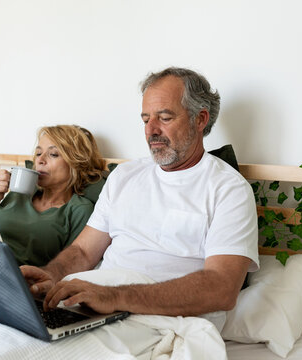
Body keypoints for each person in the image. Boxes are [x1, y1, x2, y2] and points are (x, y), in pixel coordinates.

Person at [21, 67, 259, 330]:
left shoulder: (228, 189)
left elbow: (220, 288)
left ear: (200, 119)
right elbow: (83, 250)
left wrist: (114, 296)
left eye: (164, 117)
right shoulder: (124, 175)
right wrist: (51, 275)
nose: (151, 130)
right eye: (146, 119)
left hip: (164, 321)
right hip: (95, 310)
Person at [0, 125, 107, 267]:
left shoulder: (79, 210)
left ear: (76, 163)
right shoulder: (16, 195)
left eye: (53, 154)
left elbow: (71, 265)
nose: (40, 160)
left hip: (18, 279)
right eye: (38, 154)